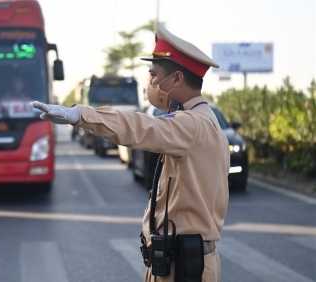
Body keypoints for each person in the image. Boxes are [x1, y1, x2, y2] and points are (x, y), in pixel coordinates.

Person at [30, 22, 229, 282]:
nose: (152, 82)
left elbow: (140, 125)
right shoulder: (208, 121)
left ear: (176, 79)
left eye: (154, 75)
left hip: (182, 269)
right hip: (186, 261)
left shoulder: (190, 124)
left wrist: (81, 115)